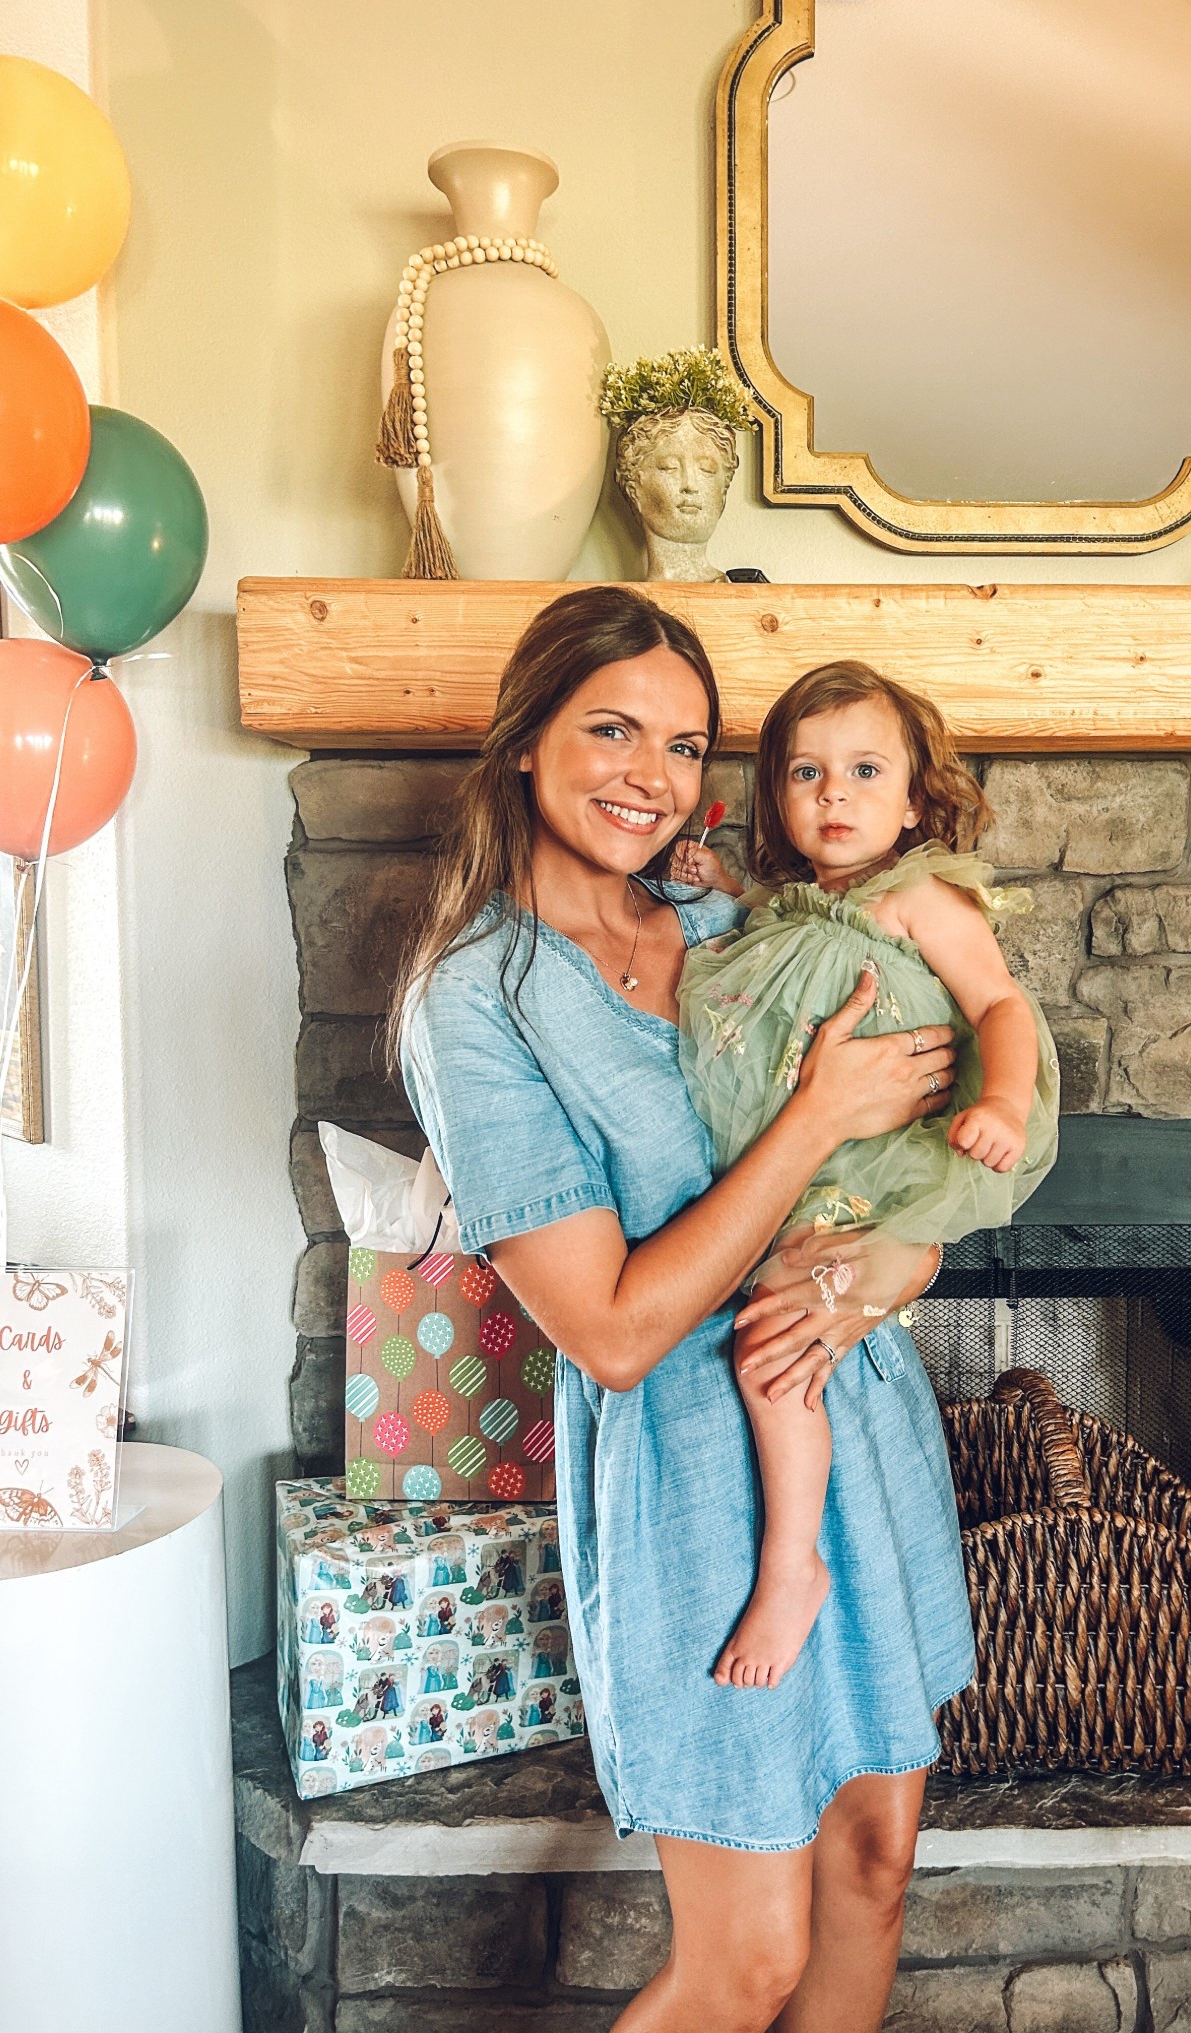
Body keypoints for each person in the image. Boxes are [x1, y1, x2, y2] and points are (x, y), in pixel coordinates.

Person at [394, 585, 972, 2033]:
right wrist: (816, 1112)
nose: (650, 775)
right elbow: (614, 1328)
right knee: (744, 1961)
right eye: (610, 729)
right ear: (525, 740)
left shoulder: (726, 915)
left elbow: (913, 1155)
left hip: (861, 1413)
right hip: (699, 1491)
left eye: (685, 742)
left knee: (876, 1863)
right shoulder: (477, 1005)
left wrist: (894, 1265)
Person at [674, 660, 1059, 1689]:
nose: (832, 792)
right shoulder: (799, 899)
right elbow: (787, 934)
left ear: (916, 797)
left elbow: (1001, 1007)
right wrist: (725, 885)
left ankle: (790, 1561)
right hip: (800, 1157)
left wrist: (1005, 1101)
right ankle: (808, 1541)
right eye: (805, 771)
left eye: (862, 769)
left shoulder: (922, 895)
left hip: (871, 1164)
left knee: (773, 1344)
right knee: (775, 1326)